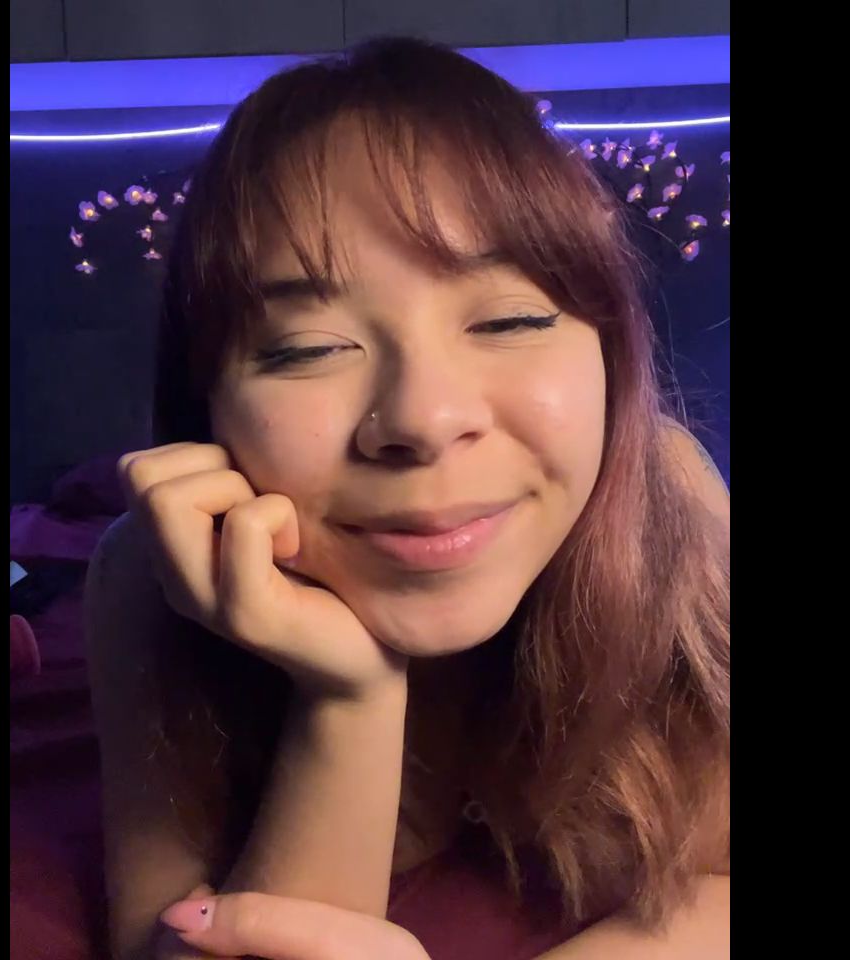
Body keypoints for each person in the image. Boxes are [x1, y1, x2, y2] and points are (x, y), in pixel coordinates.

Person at [86, 37, 730, 960]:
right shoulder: (144, 578)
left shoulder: (667, 500)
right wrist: (346, 697)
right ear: (207, 407)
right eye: (308, 347)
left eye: (509, 319)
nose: (425, 420)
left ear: (611, 359)